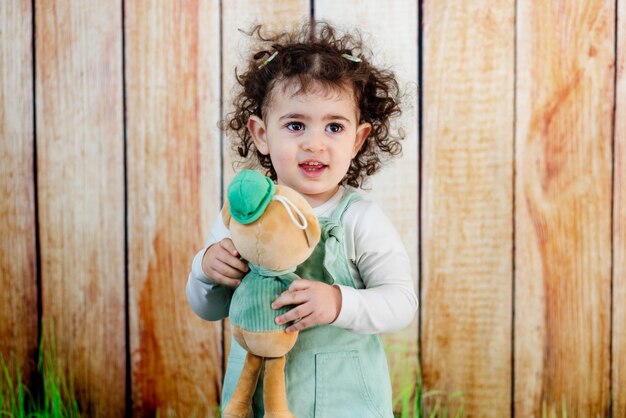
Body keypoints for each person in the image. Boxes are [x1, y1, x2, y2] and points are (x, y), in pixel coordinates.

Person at [186, 21, 418, 418]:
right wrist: (205, 268)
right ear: (261, 134)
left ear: (358, 139)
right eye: (296, 125)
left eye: (334, 126)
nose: (315, 142)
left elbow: (401, 303)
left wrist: (337, 302)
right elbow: (207, 309)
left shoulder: (360, 219)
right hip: (257, 397)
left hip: (345, 400)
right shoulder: (244, 217)